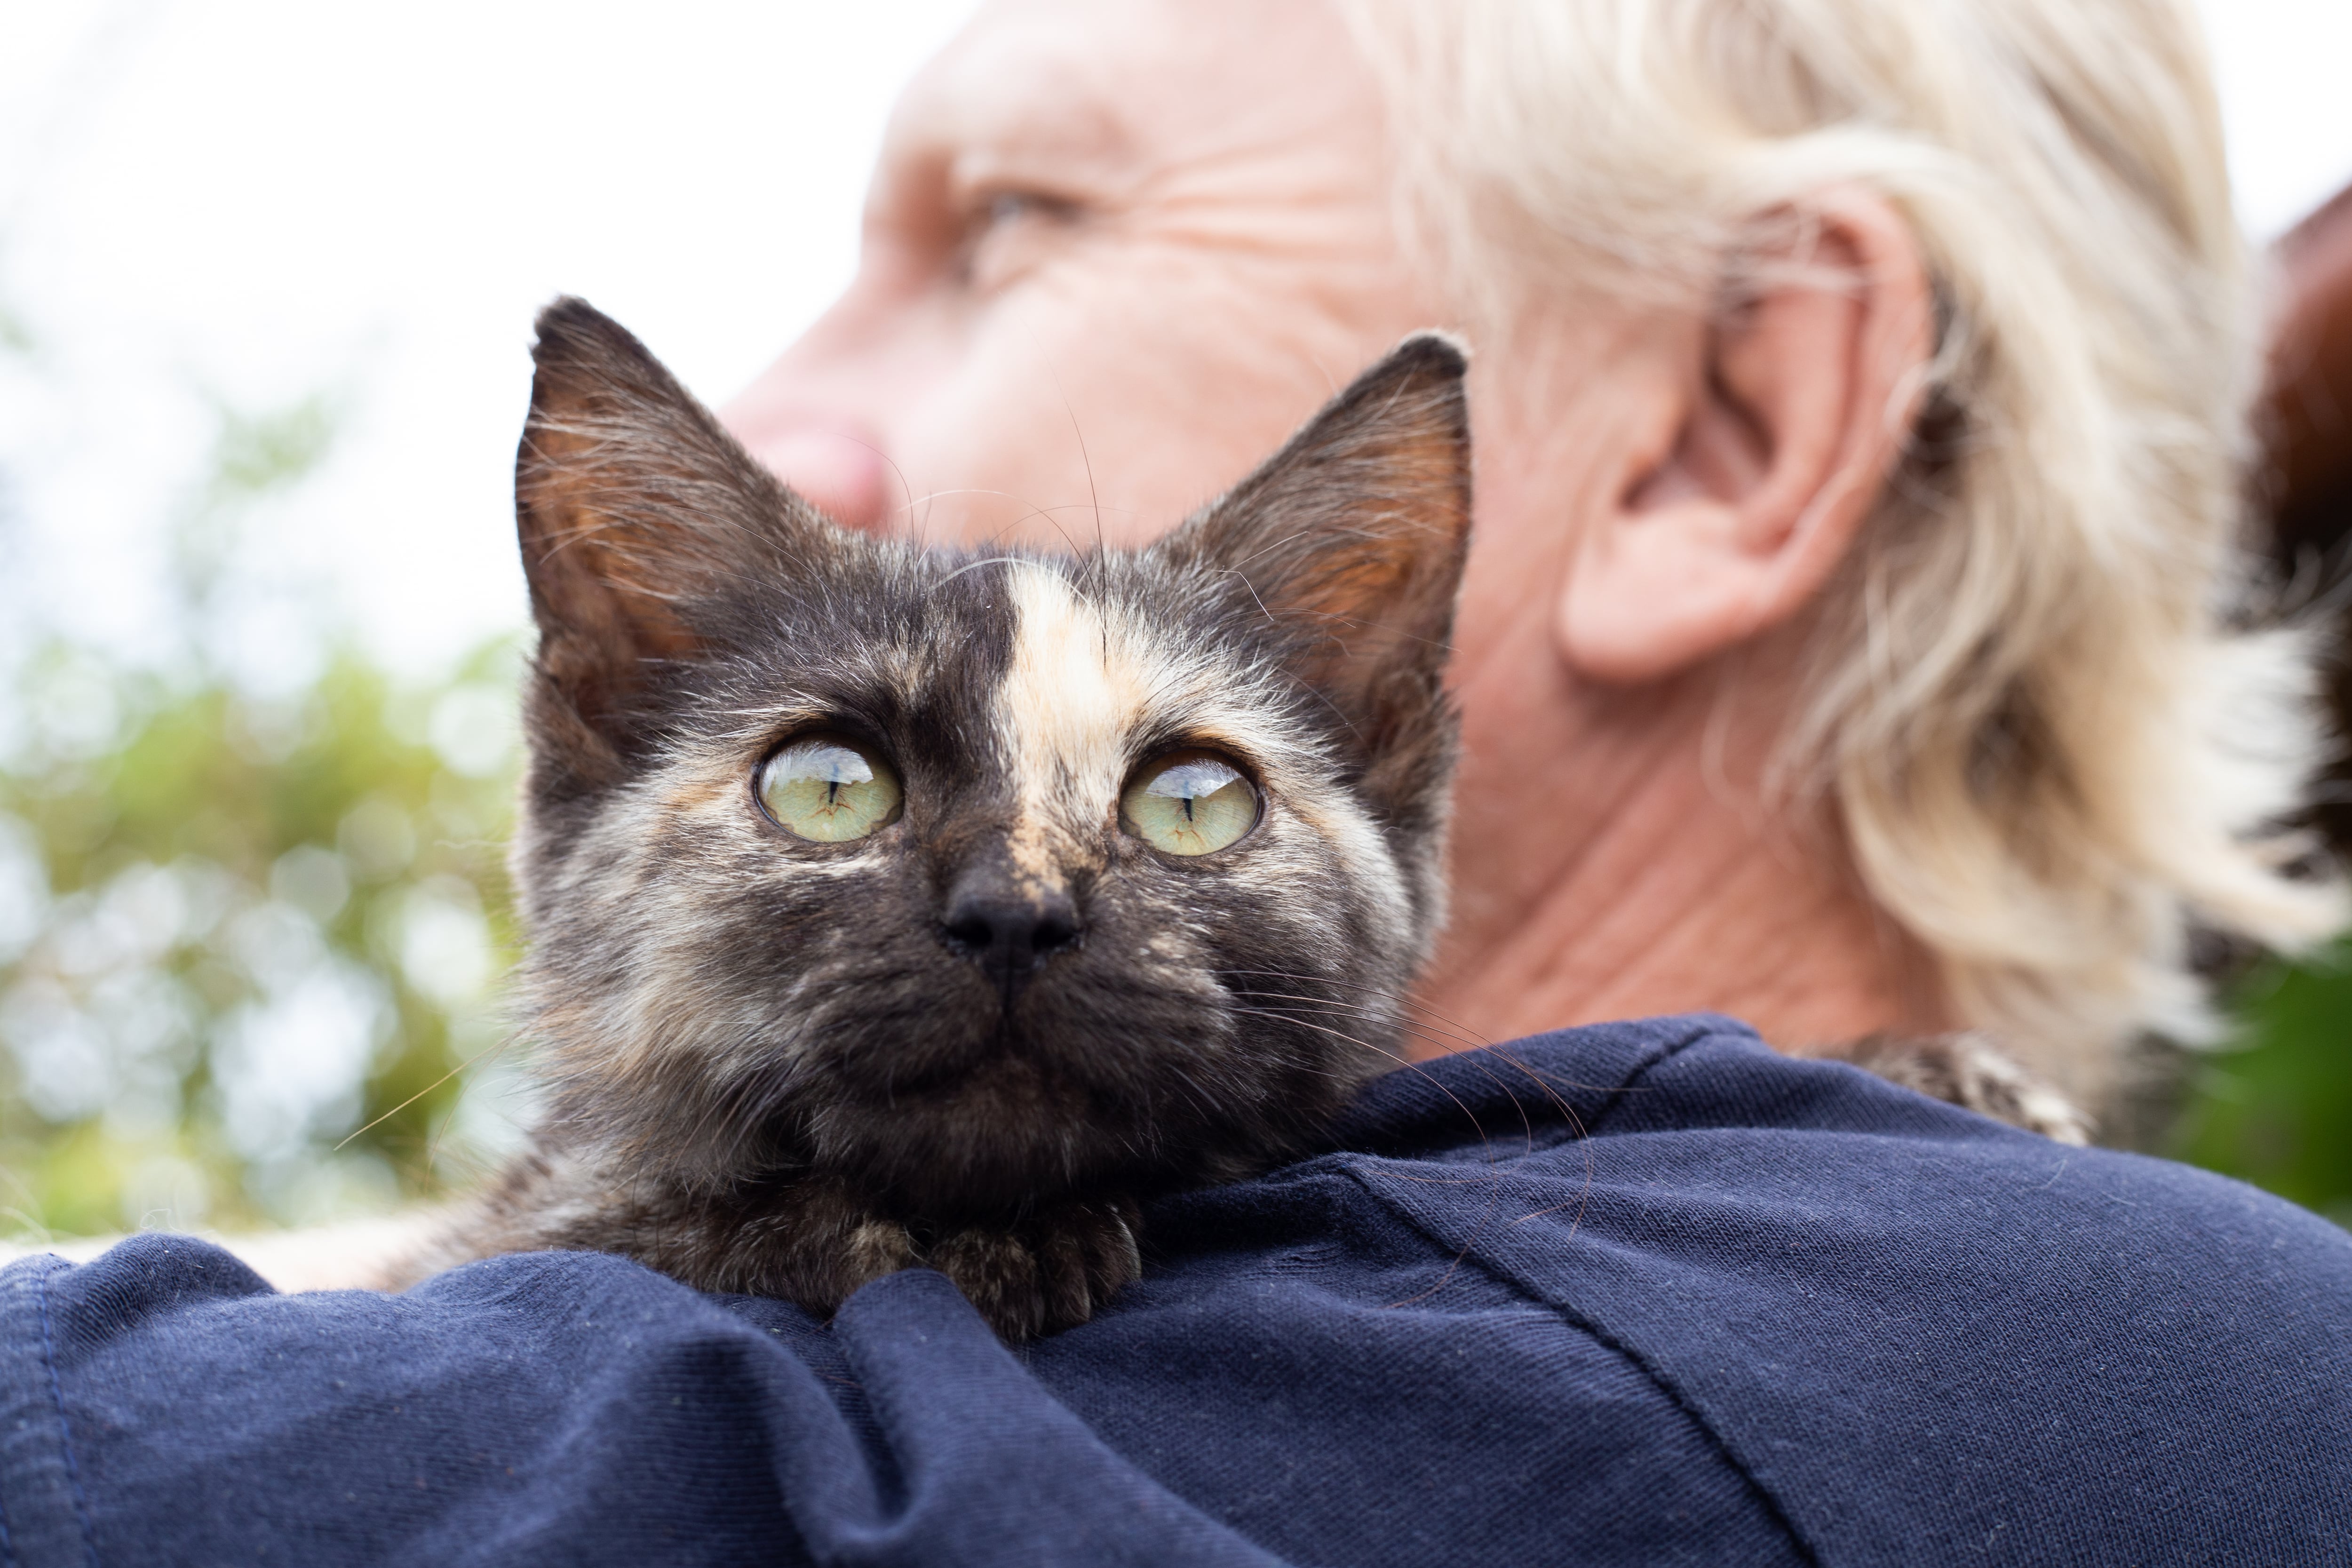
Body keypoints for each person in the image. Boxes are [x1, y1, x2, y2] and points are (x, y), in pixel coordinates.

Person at [4, 1, 2348, 1561]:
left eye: (1011, 226)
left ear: (1731, 422)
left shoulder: (1750, 1401)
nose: (790, 414)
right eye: (831, 780)